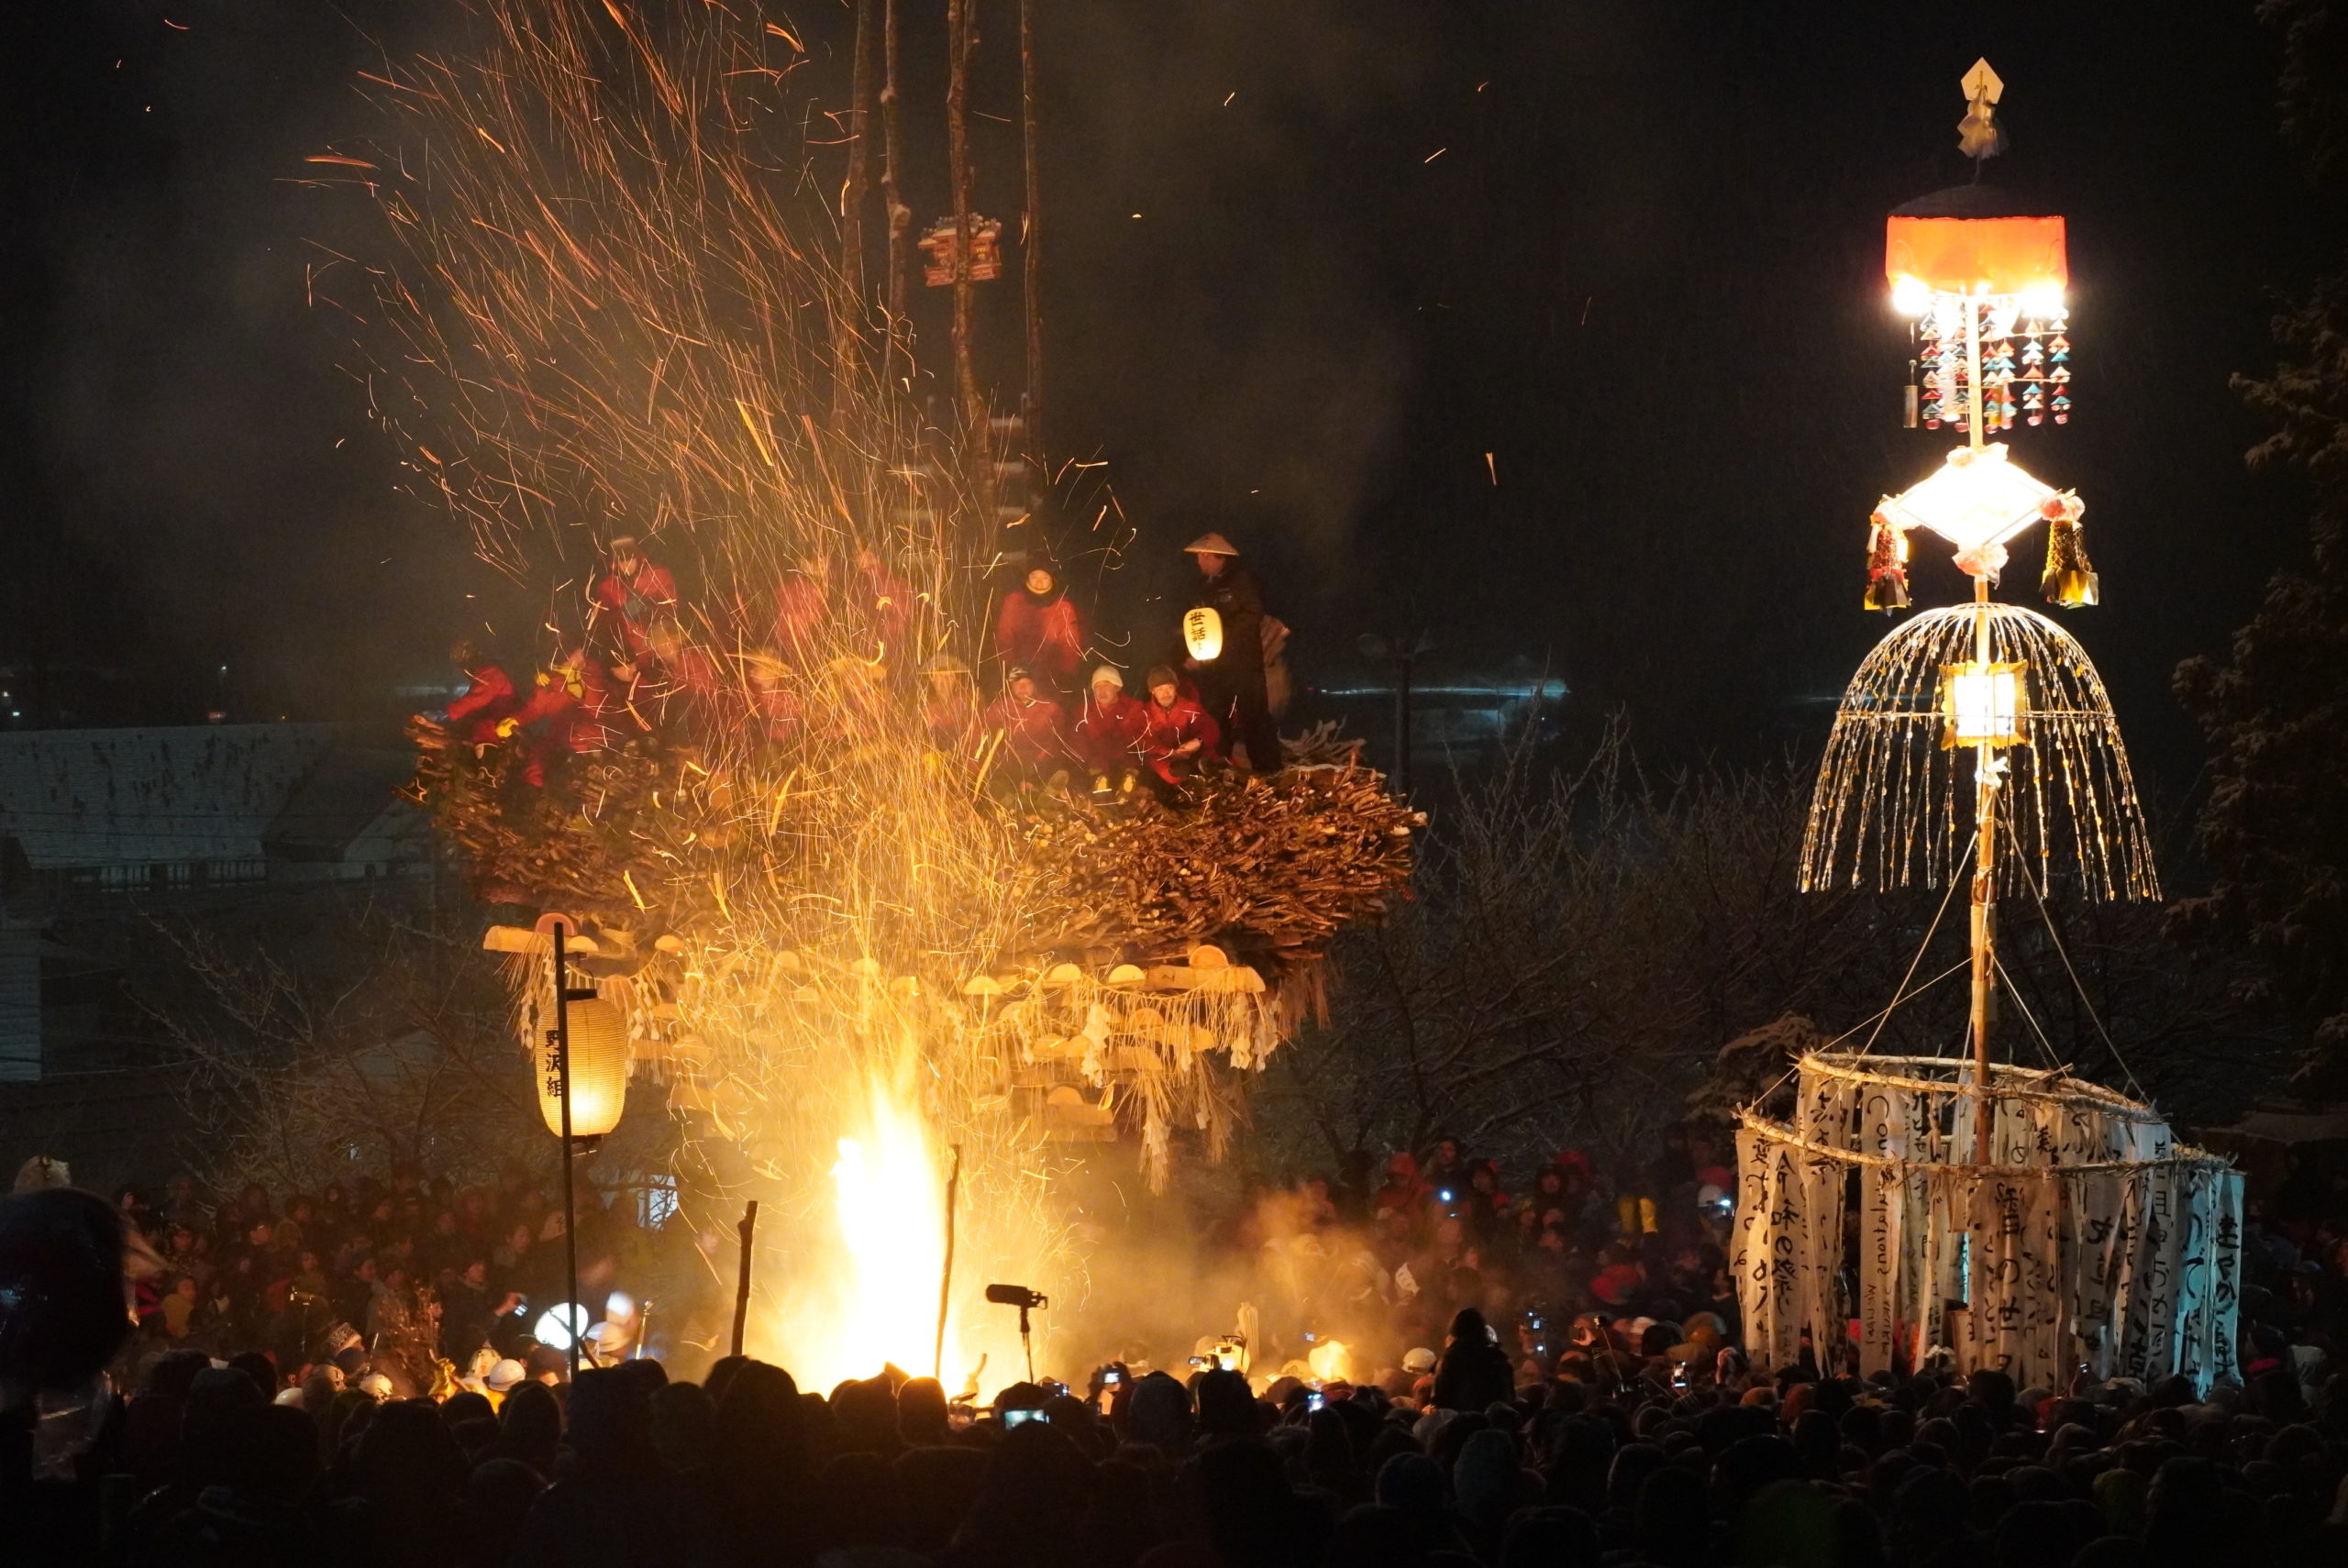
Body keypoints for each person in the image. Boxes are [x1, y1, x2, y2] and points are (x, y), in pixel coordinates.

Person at [1180, 532, 1281, 772]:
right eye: (1198, 557)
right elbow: (1196, 621)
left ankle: (1267, 767)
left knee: (1253, 714)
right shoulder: (1202, 586)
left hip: (1243, 662)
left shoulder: (1240, 580)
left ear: (1220, 558)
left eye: (1205, 556)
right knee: (1216, 713)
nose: (1200, 562)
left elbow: (1252, 613)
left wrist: (1222, 634)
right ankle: (1219, 762)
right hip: (1215, 664)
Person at [993, 559, 1088, 695]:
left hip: (1051, 677)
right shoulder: (1013, 601)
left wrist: (1066, 674)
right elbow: (1005, 636)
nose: (1038, 583)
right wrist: (1008, 667)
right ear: (1027, 578)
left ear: (1052, 579)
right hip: (1019, 675)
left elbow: (1069, 645)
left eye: (1044, 577)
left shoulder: (1063, 606)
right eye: (1034, 577)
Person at [592, 535, 680, 663]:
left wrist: (651, 606)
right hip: (633, 650)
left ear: (638, 558)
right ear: (615, 563)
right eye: (622, 561)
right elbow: (603, 621)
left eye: (630, 559)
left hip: (660, 641)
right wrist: (623, 614)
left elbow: (671, 604)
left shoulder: (655, 575)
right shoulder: (608, 587)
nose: (626, 565)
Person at [1137, 665, 1220, 796]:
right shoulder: (1144, 714)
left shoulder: (1189, 707)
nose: (1166, 694)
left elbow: (1210, 728)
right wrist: (1171, 753)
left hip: (1192, 757)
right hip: (1166, 764)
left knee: (1213, 768)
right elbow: (1145, 744)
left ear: (1176, 688)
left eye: (1169, 687)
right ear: (1152, 691)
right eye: (1160, 689)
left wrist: (1198, 741)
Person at [1071, 664, 1149, 798]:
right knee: (1097, 772)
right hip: (1099, 762)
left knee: (1132, 767)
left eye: (1106, 685)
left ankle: (1128, 789)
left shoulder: (1133, 707)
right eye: (1097, 686)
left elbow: (1143, 736)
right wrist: (1088, 759)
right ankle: (1100, 789)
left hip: (1126, 760)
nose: (1101, 691)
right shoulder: (1085, 710)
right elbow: (1078, 738)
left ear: (1117, 687)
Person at [980, 668, 1071, 779]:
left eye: (1027, 683)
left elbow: (1060, 741)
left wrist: (1042, 758)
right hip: (1010, 768)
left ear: (1035, 685)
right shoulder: (999, 708)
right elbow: (986, 738)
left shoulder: (1050, 708)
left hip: (1042, 766)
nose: (1023, 688)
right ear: (1010, 685)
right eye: (1018, 683)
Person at [439, 640, 520, 745]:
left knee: (482, 729)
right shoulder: (483, 673)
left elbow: (476, 699)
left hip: (501, 720)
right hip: (492, 716)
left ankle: (487, 760)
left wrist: (447, 712)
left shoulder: (492, 673)